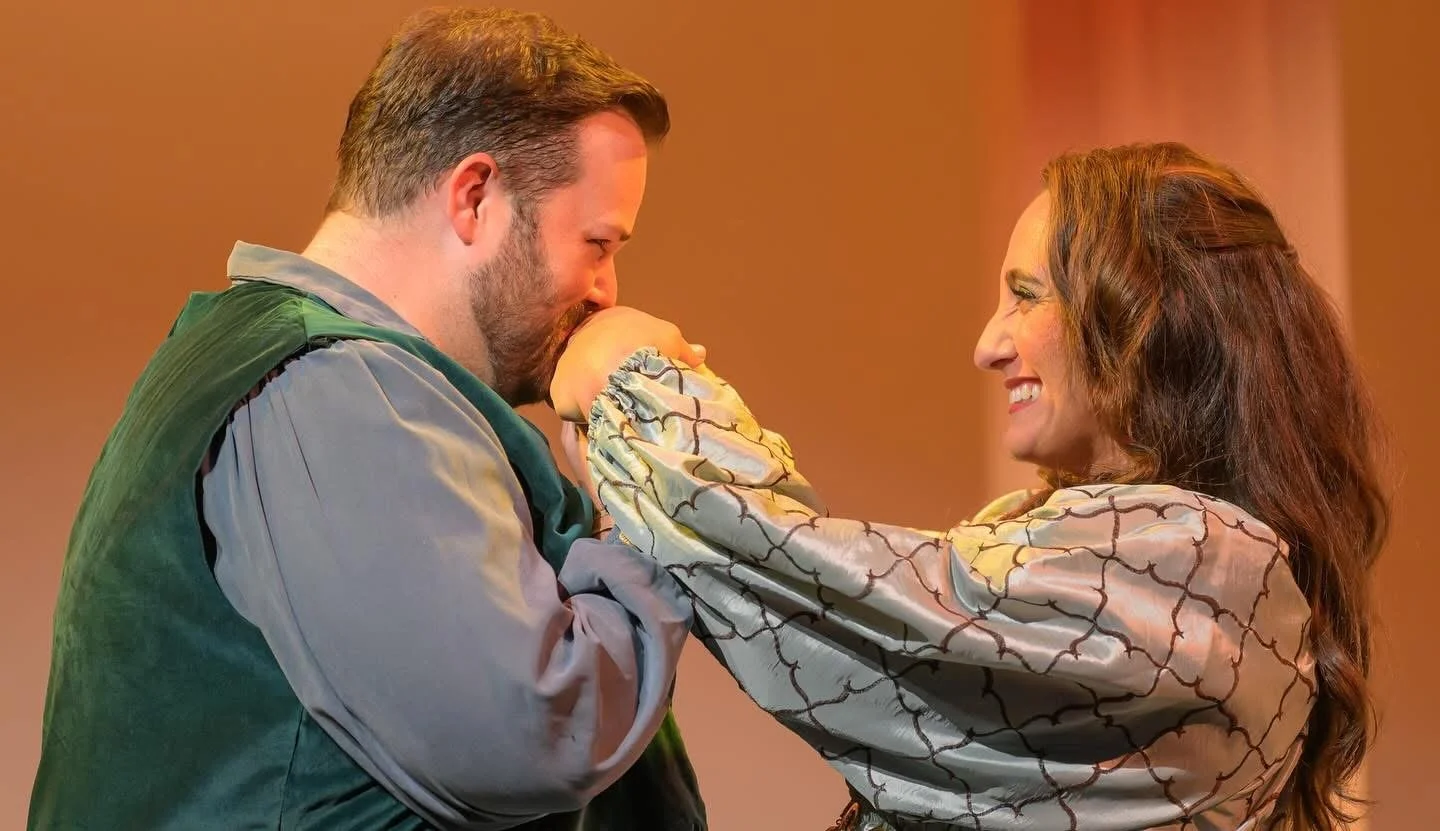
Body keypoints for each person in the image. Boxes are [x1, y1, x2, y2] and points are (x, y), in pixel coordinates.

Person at [551, 142, 1387, 830]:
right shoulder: (1123, 552)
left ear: (1147, 316)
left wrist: (634, 379)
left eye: (1026, 296)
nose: (988, 344)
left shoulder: (1204, 565)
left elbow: (840, 599)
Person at [29, 7, 709, 830]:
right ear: (475, 196)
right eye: (598, 242)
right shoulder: (334, 390)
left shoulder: (282, 362)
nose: (607, 291)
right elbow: (533, 729)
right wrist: (641, 481)